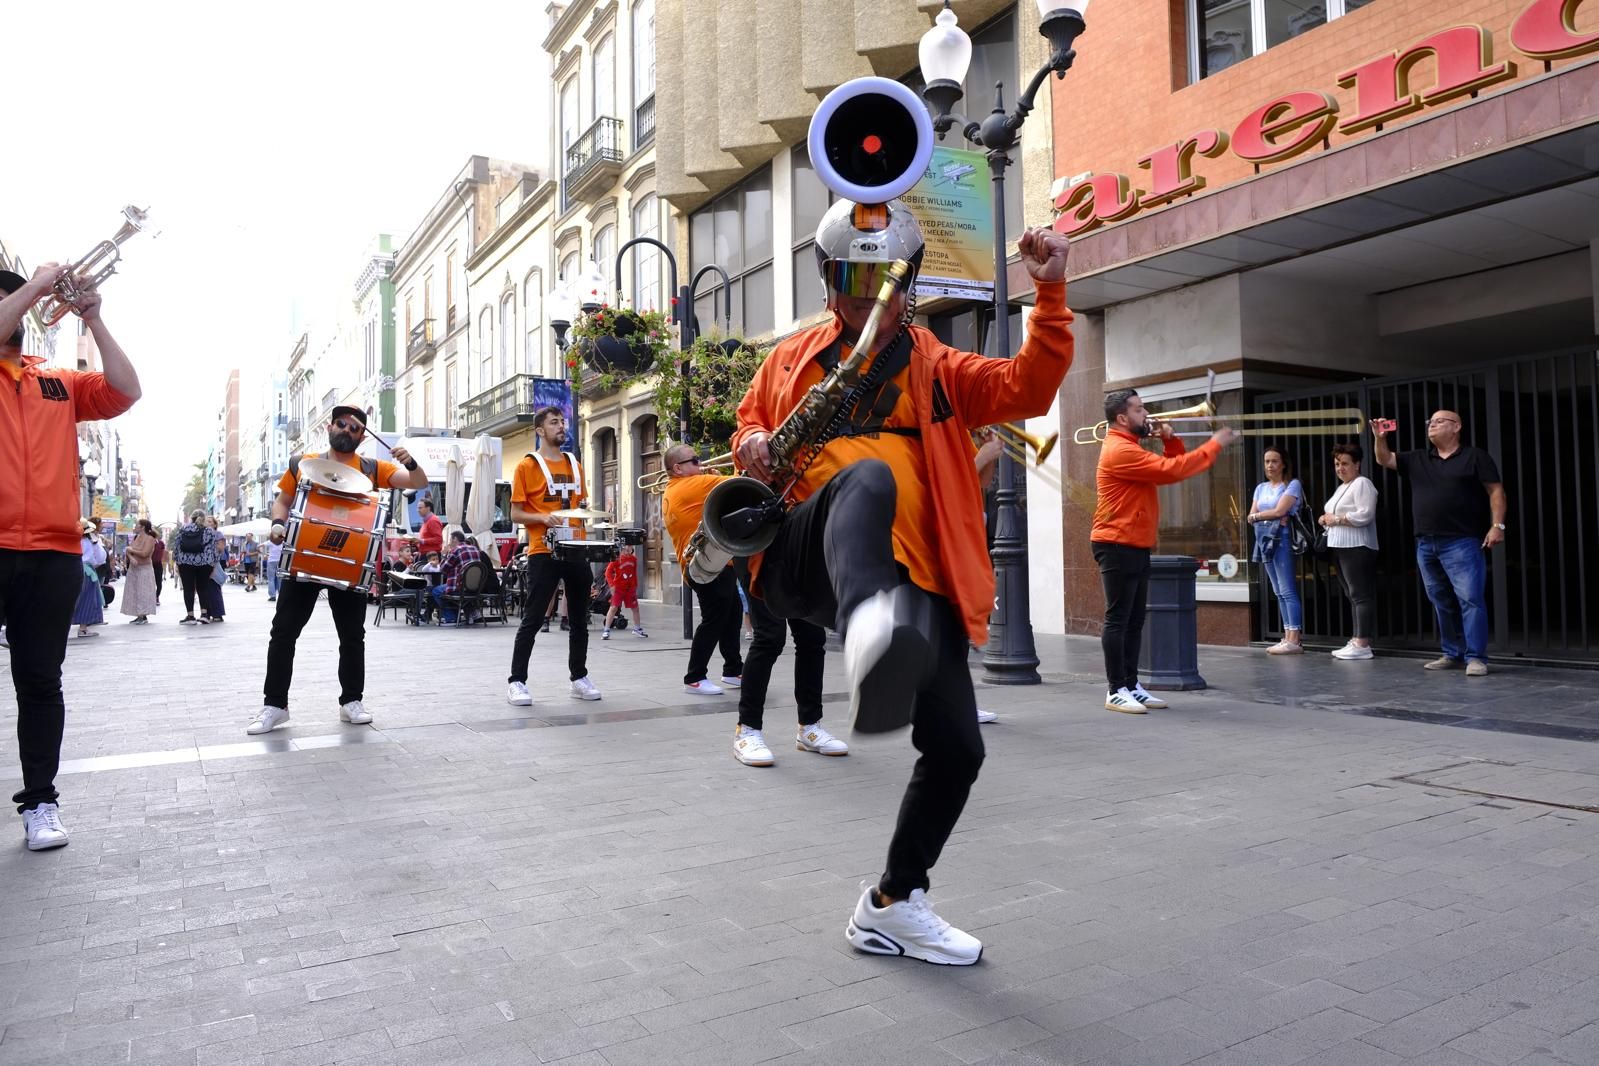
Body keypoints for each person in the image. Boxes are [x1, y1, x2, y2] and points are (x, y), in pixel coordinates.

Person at [734, 199, 1075, 965]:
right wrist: (752, 439)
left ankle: (891, 904)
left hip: (920, 579)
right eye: (850, 280)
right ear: (828, 280)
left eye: (881, 279)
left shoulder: (938, 364)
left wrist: (1049, 291)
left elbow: (1027, 389)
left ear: (907, 282)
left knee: (958, 749)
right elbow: (748, 425)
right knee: (866, 480)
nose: (867, 298)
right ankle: (868, 629)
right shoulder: (787, 360)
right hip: (802, 552)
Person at [1, 263, 141, 850]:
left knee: (40, 682)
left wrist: (94, 319)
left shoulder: (55, 380)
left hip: (53, 552)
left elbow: (126, 390)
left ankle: (41, 802)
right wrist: (35, 285)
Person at [248, 406, 428, 734]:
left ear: (362, 437)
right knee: (283, 632)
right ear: (330, 427)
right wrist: (277, 523)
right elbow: (283, 501)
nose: (346, 429)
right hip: (304, 557)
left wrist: (411, 462)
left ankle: (351, 701)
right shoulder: (303, 463)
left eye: (354, 427)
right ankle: (275, 705)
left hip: (350, 562)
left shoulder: (372, 468)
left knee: (352, 636)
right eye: (341, 424)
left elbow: (417, 481)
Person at [1092, 390, 1239, 714]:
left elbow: (1172, 465)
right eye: (1139, 409)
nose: (1146, 414)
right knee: (1118, 619)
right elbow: (1172, 471)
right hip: (1116, 542)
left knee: (1134, 621)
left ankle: (1131, 685)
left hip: (1134, 542)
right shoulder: (1120, 450)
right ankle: (1116, 689)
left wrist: (1170, 440)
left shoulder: (1130, 446)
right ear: (1122, 418)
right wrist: (1214, 444)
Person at [1372, 411, 1506, 676]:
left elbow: (1496, 491)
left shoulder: (1474, 456)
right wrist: (1380, 438)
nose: (1432, 424)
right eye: (1430, 422)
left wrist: (1497, 525)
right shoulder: (1418, 458)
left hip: (1462, 541)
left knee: (1470, 599)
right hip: (1426, 543)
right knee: (1440, 600)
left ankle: (1476, 657)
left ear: (1456, 426)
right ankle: (1452, 653)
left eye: (1439, 421)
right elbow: (1384, 459)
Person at [505, 406, 602, 705]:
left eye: (562, 422)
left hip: (576, 548)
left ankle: (579, 677)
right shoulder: (526, 466)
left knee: (579, 618)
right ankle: (517, 681)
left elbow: (580, 505)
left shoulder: (575, 464)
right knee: (533, 618)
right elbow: (515, 513)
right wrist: (542, 517)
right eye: (554, 422)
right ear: (540, 430)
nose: (561, 426)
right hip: (543, 550)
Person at [660, 444, 744, 696]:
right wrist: (735, 465)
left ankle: (733, 670)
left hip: (708, 563)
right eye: (695, 461)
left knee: (732, 615)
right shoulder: (693, 485)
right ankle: (694, 677)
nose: (701, 464)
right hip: (709, 565)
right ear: (678, 468)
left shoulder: (673, 488)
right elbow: (742, 483)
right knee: (714, 620)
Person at [1320, 441, 1379, 660]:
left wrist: (1335, 519)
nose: (1340, 468)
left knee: (1359, 594)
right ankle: (1356, 639)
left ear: (1357, 464)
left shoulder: (1362, 483)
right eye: (1337, 464)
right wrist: (1326, 519)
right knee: (1351, 594)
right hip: (1339, 545)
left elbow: (1365, 515)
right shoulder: (1342, 487)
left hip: (1356, 545)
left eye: (1345, 463)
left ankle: (1362, 643)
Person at [1247, 444, 1304, 655]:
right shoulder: (1260, 488)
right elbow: (1250, 515)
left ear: (1283, 464)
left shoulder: (1292, 484)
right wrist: (1267, 516)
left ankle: (1295, 639)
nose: (1270, 465)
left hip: (1282, 539)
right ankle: (1287, 636)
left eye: (1274, 461)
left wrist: (1260, 516)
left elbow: (1280, 511)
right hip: (1264, 540)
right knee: (1278, 590)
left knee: (1287, 589)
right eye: (1267, 461)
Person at [173, 510, 218, 624]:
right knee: (203, 588)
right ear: (203, 518)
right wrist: (214, 563)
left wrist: (176, 561)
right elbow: (214, 548)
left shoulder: (183, 529)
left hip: (185, 562)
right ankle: (204, 615)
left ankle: (190, 616)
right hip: (204, 562)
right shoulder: (209, 531)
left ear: (191, 518)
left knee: (188, 589)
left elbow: (176, 546)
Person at [431, 530, 483, 624]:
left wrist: (444, 555)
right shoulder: (475, 548)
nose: (449, 542)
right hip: (475, 588)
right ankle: (458, 615)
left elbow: (443, 569)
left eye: (450, 540)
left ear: (455, 539)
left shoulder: (456, 550)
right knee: (446, 589)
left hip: (459, 587)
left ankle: (451, 617)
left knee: (436, 591)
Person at [601, 544, 645, 639]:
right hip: (619, 588)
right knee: (613, 608)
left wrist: (635, 585)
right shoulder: (617, 559)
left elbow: (634, 573)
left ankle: (637, 629)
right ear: (623, 547)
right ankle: (606, 630)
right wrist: (612, 585)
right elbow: (608, 572)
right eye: (627, 546)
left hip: (630, 588)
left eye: (631, 546)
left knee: (635, 608)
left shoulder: (634, 559)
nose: (629, 548)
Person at [121, 519, 160, 624]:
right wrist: (130, 557)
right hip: (134, 569)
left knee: (143, 592)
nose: (135, 527)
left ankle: (143, 615)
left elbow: (145, 553)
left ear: (142, 527)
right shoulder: (136, 537)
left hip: (144, 568)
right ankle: (138, 615)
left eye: (137, 525)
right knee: (134, 592)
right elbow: (128, 551)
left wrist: (131, 550)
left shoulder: (150, 538)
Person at [72, 522, 106, 639]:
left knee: (70, 599)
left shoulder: (72, 541)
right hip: (87, 571)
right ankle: (83, 628)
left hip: (71, 569)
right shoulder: (91, 542)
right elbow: (101, 558)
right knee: (87, 599)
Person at [199, 516, 227, 623]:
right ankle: (208, 612)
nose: (207, 523)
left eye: (210, 522)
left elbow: (221, 548)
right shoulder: (202, 534)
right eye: (206, 521)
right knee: (205, 589)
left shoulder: (218, 534)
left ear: (215, 524)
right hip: (203, 564)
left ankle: (218, 613)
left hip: (214, 563)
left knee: (214, 587)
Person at [264, 524, 285, 601]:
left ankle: (272, 596)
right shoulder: (283, 541)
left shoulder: (270, 542)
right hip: (280, 561)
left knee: (271, 579)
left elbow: (259, 546)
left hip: (271, 561)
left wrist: (264, 553)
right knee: (280, 578)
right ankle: (281, 594)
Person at [150, 532, 166, 606]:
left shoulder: (161, 543)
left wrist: (163, 560)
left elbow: (163, 552)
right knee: (150, 583)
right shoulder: (148, 543)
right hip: (149, 565)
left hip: (158, 565)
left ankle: (156, 596)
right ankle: (151, 597)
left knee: (159, 583)